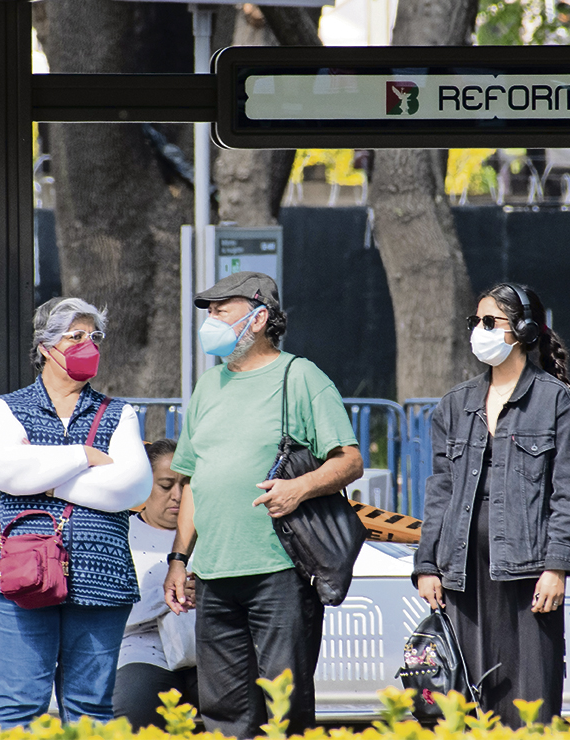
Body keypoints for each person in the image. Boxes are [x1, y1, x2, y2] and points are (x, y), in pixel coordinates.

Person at [162, 272, 363, 737]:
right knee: (223, 712)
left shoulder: (301, 376)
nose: (210, 321)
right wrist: (179, 559)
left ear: (259, 318)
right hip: (212, 575)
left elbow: (349, 460)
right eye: (208, 312)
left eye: (220, 311)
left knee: (284, 708)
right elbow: (193, 479)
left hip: (280, 572)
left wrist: (301, 487)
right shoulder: (208, 386)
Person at [414, 283, 570, 727]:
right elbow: (440, 491)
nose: (479, 330)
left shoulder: (555, 401)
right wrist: (427, 564)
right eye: (475, 321)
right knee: (463, 701)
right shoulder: (454, 404)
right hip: (461, 574)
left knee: (529, 703)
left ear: (523, 330)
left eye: (490, 321)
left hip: (529, 573)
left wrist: (557, 567)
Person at [0, 297, 153, 728]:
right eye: (76, 336)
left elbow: (132, 488)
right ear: (44, 346)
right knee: (18, 704)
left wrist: (46, 478)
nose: (87, 345)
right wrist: (86, 455)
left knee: (90, 710)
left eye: (94, 337)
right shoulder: (7, 407)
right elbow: (8, 474)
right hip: (21, 575)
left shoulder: (120, 413)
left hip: (101, 577)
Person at [114, 439, 199, 730]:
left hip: (209, 651)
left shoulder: (212, 535)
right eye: (165, 485)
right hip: (142, 651)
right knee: (134, 711)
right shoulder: (120, 536)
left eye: (185, 485)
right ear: (145, 485)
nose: (177, 496)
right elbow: (113, 613)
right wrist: (170, 595)